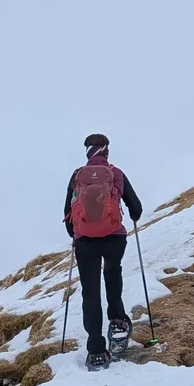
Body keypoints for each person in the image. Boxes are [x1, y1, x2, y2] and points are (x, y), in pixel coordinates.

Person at [63, 133, 144, 370]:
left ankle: (96, 350)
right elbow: (136, 208)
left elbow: (68, 213)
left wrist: (77, 233)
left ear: (88, 152)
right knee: (112, 273)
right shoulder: (116, 173)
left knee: (90, 292)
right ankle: (118, 322)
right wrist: (131, 216)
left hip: (84, 241)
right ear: (106, 151)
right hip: (113, 238)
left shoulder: (77, 175)